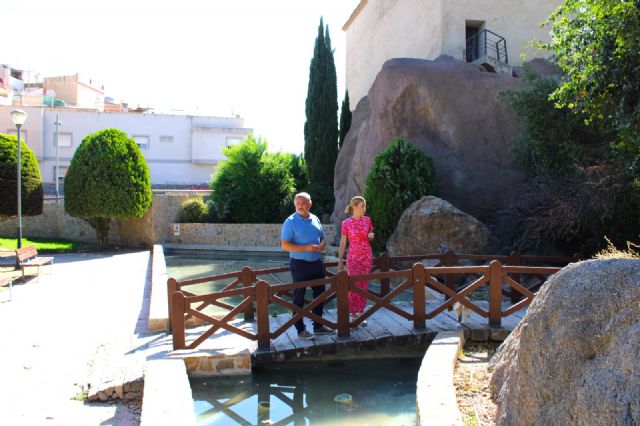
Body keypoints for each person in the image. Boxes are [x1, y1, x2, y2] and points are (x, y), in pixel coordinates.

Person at [281, 192, 334, 339]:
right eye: (297, 203)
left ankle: (318, 326)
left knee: (320, 294)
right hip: (299, 265)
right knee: (299, 298)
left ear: (310, 204)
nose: (300, 206)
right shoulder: (290, 221)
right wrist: (307, 248)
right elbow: (285, 245)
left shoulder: (315, 218)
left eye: (303, 203)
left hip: (316, 263)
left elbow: (322, 237)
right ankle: (300, 330)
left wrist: (323, 244)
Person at [338, 196, 374, 326]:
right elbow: (343, 243)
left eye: (365, 206)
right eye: (362, 206)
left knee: (363, 284)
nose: (364, 208)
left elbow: (371, 234)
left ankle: (360, 314)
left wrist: (371, 236)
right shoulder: (346, 223)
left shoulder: (367, 221)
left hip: (366, 256)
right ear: (355, 206)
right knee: (353, 285)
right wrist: (340, 260)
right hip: (353, 257)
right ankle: (352, 313)